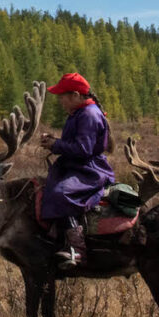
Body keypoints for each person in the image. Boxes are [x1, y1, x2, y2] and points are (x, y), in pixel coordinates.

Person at [38, 73, 114, 265]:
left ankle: (78, 249)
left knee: (61, 192)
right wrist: (56, 141)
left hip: (89, 171)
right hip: (78, 166)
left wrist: (56, 145)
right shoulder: (79, 113)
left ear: (75, 95)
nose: (60, 101)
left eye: (62, 96)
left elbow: (83, 149)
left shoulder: (89, 115)